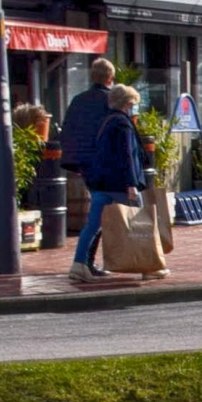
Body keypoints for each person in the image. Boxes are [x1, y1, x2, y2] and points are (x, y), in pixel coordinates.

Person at [72, 84, 145, 279]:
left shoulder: (104, 121)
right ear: (128, 104)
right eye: (134, 105)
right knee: (142, 221)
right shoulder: (123, 123)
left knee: (94, 224)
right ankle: (150, 263)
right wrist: (131, 184)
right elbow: (127, 155)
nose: (135, 108)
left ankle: (80, 264)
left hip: (100, 181)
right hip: (118, 184)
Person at [58, 58, 116, 277]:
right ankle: (82, 261)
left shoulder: (78, 100)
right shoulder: (111, 101)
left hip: (84, 165)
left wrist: (76, 162)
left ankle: (87, 262)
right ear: (111, 78)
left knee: (98, 210)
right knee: (98, 215)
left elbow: (67, 131)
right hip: (105, 165)